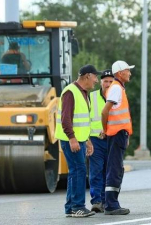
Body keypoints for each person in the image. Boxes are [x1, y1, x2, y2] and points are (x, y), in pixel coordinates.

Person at [55, 64, 100, 218]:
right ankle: (77, 207)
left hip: (78, 139)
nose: (97, 80)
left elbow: (82, 120)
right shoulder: (71, 92)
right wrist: (72, 138)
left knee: (75, 172)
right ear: (87, 76)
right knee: (79, 171)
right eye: (95, 76)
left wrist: (86, 140)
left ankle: (70, 207)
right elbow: (65, 118)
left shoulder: (82, 92)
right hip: (71, 140)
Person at [101, 60, 134, 216]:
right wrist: (106, 129)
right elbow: (104, 111)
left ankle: (111, 203)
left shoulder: (118, 88)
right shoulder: (116, 88)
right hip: (115, 134)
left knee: (116, 168)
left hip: (119, 134)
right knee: (114, 169)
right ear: (120, 73)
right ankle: (111, 205)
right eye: (128, 70)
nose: (130, 73)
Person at [88, 69, 114, 213]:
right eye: (105, 81)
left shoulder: (117, 97)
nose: (108, 84)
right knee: (96, 171)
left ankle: (106, 201)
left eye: (111, 81)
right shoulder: (91, 97)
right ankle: (96, 201)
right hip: (96, 139)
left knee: (109, 171)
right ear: (101, 82)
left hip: (112, 139)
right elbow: (86, 118)